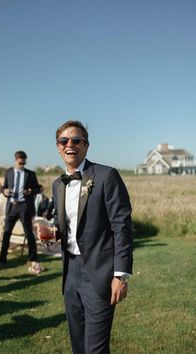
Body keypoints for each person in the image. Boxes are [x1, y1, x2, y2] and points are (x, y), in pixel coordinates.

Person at [52, 120, 133, 354]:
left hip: (99, 273)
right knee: (78, 345)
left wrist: (121, 274)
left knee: (95, 349)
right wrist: (52, 234)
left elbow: (122, 226)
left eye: (76, 140)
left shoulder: (106, 175)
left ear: (86, 146)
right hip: (70, 274)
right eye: (64, 141)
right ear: (58, 147)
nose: (70, 144)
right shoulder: (58, 184)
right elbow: (65, 226)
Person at [0, 150, 43, 274]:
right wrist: (5, 191)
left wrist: (30, 191)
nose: (22, 164)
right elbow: (3, 187)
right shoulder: (8, 172)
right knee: (7, 233)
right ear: (16, 160)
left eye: (24, 162)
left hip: (24, 207)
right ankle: (2, 260)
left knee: (29, 233)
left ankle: (32, 259)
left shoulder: (30, 174)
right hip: (12, 207)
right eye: (20, 162)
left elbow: (38, 189)